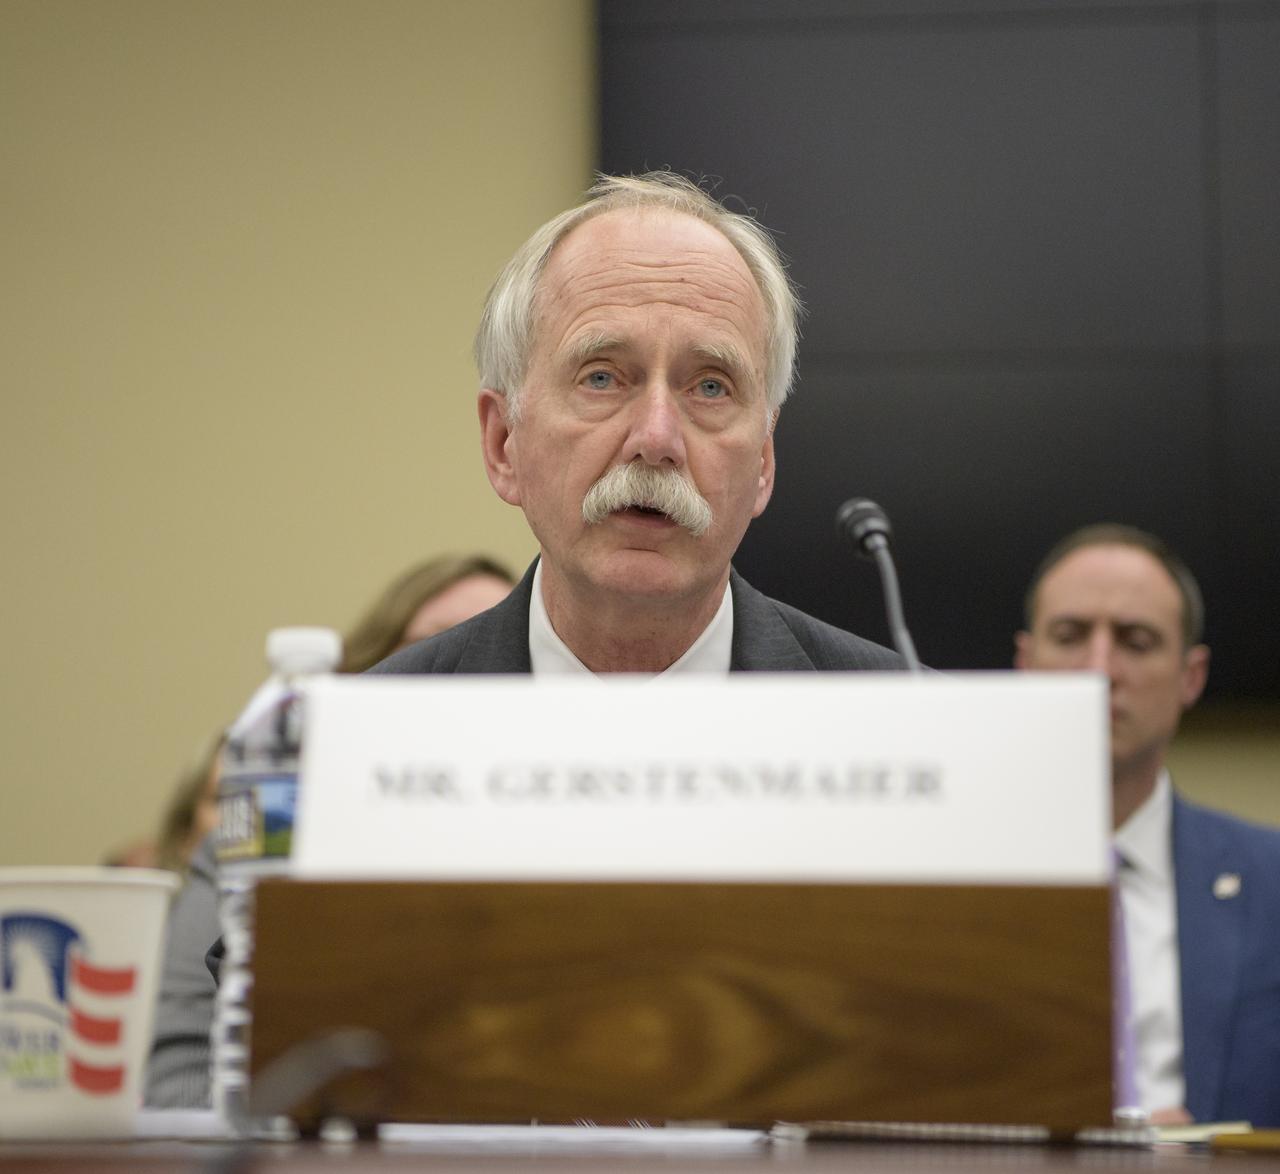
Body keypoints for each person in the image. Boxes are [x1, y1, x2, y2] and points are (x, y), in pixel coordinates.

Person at [371, 172, 902, 679]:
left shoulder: (912, 727)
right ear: (503, 442)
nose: (656, 439)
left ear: (763, 460)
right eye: (601, 378)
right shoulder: (361, 733)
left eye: (711, 386)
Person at [145, 554, 515, 1108]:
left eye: (496, 658)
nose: (468, 681)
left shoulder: (547, 850)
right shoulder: (262, 828)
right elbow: (182, 1074)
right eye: (442, 647)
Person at [1015, 524, 1280, 1127]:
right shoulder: (945, 875)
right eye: (1071, 635)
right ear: (1027, 663)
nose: (1101, 667)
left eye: (1135, 641)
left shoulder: (1272, 883)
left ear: (1192, 676)